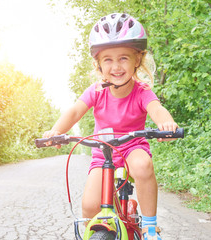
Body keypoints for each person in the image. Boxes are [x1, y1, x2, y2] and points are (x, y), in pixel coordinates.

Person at [43, 13, 179, 240]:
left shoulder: (141, 91)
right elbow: (76, 111)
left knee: (143, 166)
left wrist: (166, 123)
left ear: (138, 59)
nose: (116, 66)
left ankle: (150, 227)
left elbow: (156, 109)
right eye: (108, 59)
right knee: (89, 206)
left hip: (131, 147)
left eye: (124, 58)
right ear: (98, 64)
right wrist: (57, 131)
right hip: (103, 152)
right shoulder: (96, 91)